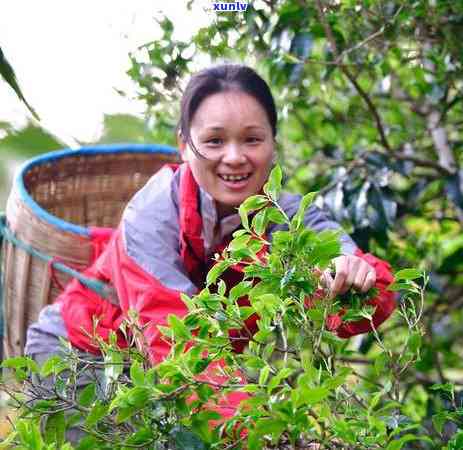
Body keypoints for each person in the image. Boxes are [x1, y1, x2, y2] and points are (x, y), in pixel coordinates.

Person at [25, 64, 395, 425]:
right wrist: (264, 433)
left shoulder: (286, 216)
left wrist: (352, 278)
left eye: (252, 139)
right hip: (79, 356)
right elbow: (184, 348)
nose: (234, 157)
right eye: (215, 140)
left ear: (273, 144)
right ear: (185, 146)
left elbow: (359, 290)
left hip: (165, 376)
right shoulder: (150, 217)